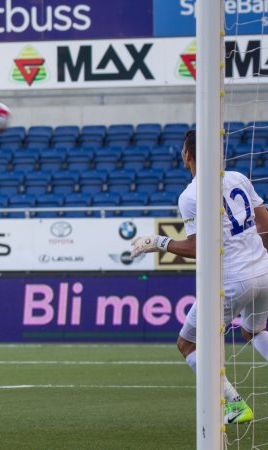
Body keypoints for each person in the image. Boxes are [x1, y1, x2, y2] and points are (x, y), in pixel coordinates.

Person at [131, 129, 268, 424]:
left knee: (188, 344)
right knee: (252, 331)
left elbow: (198, 247)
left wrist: (159, 242)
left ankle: (234, 405)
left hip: (233, 280)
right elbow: (264, 222)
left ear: (188, 155)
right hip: (264, 271)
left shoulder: (191, 195)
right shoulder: (238, 178)